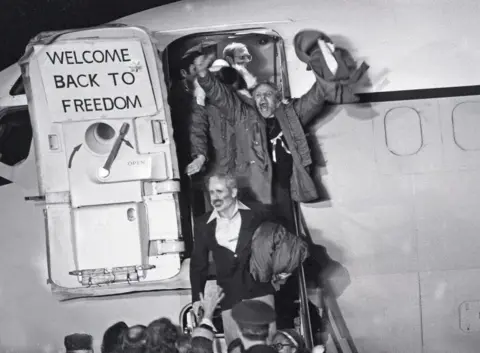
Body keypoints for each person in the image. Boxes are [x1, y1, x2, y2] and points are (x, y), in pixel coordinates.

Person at [193, 29, 366, 230]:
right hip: (254, 190)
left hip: (284, 188)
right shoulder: (244, 115)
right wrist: (204, 74)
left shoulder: (292, 114)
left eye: (267, 95)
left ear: (277, 100)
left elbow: (316, 96)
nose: (262, 99)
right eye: (258, 96)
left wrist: (326, 65)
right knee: (256, 238)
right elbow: (222, 96)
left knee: (285, 235)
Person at [189, 172, 275, 346]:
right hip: (229, 297)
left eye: (219, 191)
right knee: (235, 347)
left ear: (234, 192)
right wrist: (196, 298)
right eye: (211, 192)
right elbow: (199, 263)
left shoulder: (258, 213)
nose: (215, 197)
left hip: (260, 293)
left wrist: (280, 273)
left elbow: (279, 246)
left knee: (265, 347)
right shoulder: (202, 224)